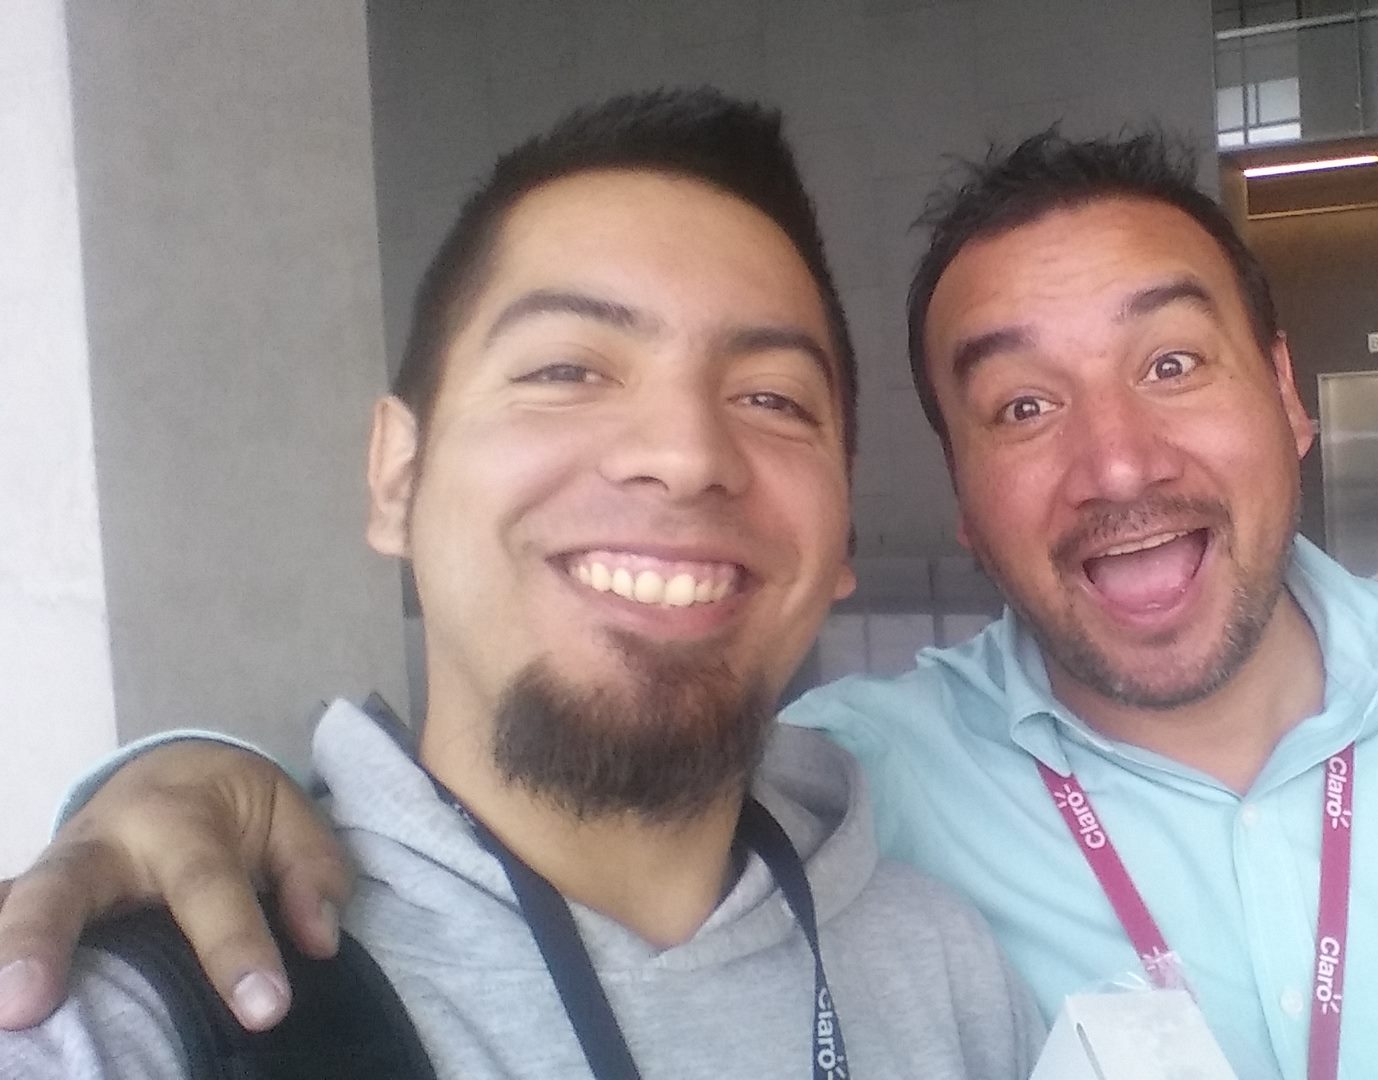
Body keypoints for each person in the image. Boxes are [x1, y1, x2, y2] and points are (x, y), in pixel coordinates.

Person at [0, 126, 1378, 1079]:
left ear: (1288, 396)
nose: (1114, 461)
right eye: (1021, 407)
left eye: (1173, 364)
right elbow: (583, 755)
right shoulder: (856, 786)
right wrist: (191, 772)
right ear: (958, 490)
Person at [0, 88, 1043, 1079]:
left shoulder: (943, 973)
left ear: (841, 526)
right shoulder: (136, 1017)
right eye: (566, 371)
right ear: (397, 477)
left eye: (772, 398)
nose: (686, 454)